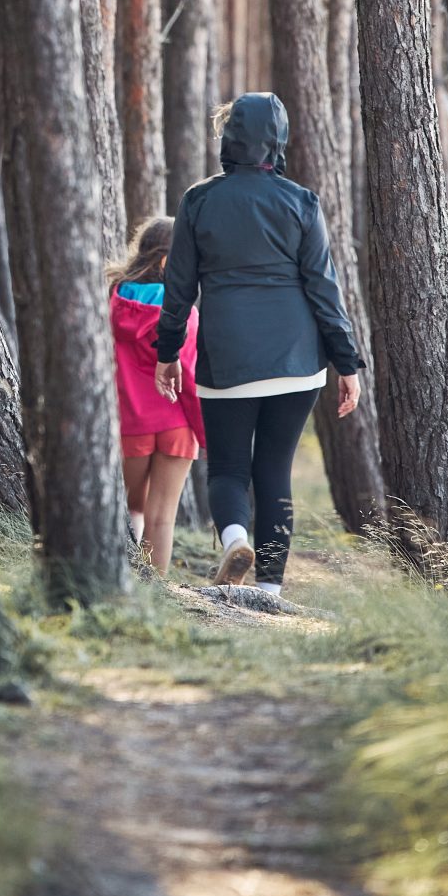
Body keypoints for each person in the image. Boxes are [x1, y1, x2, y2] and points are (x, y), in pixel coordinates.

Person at [155, 93, 366, 596]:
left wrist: (166, 353)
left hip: (227, 357)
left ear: (229, 140)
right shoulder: (301, 202)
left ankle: (233, 541)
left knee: (227, 466)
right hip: (297, 361)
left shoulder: (198, 200)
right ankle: (269, 589)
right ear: (278, 140)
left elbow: (179, 288)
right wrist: (347, 363)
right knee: (274, 469)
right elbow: (323, 288)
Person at [108, 217, 205, 574]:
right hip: (177, 424)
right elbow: (190, 377)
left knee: (129, 507)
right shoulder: (184, 314)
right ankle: (154, 594)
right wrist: (203, 429)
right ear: (167, 261)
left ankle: (124, 581)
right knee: (161, 519)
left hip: (130, 422)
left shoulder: (112, 302)